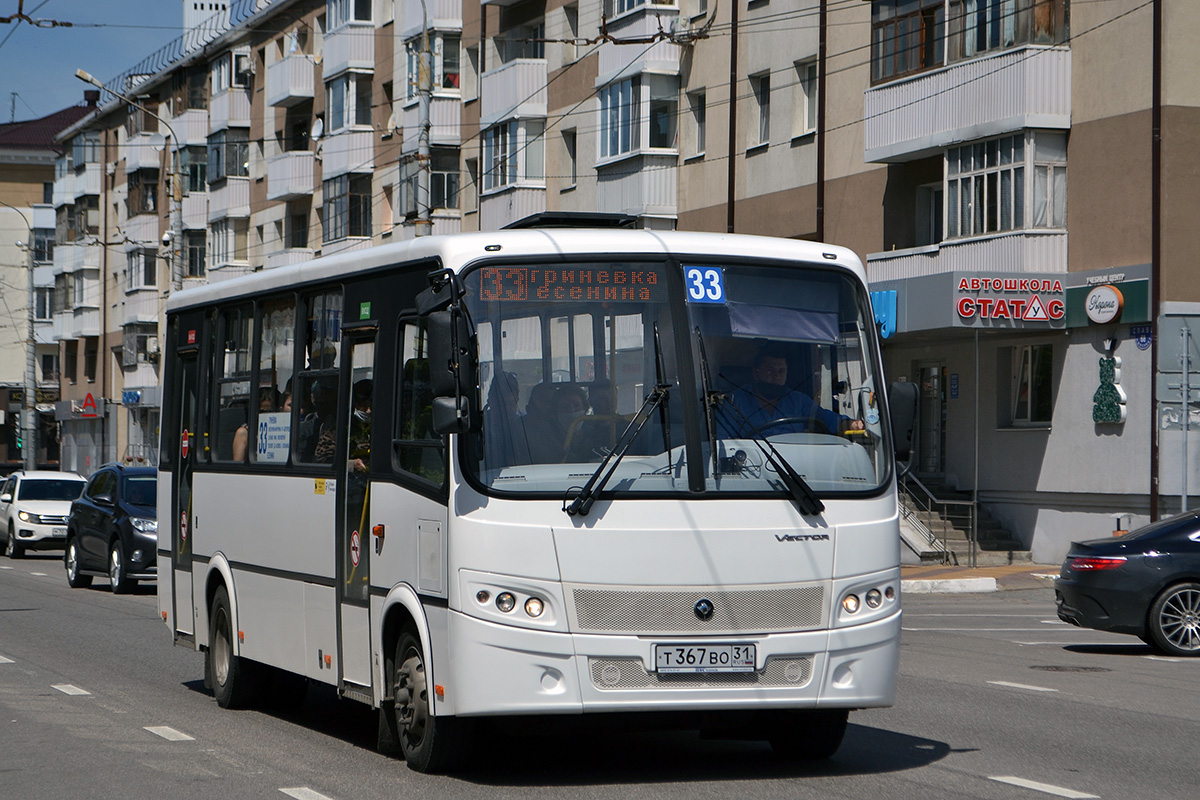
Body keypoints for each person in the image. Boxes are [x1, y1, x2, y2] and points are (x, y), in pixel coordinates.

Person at [720, 344, 863, 437]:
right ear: (755, 372)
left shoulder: (798, 401)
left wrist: (849, 424)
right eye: (770, 371)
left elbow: (824, 418)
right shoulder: (733, 402)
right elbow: (724, 444)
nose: (776, 376)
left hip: (796, 470)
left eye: (781, 371)